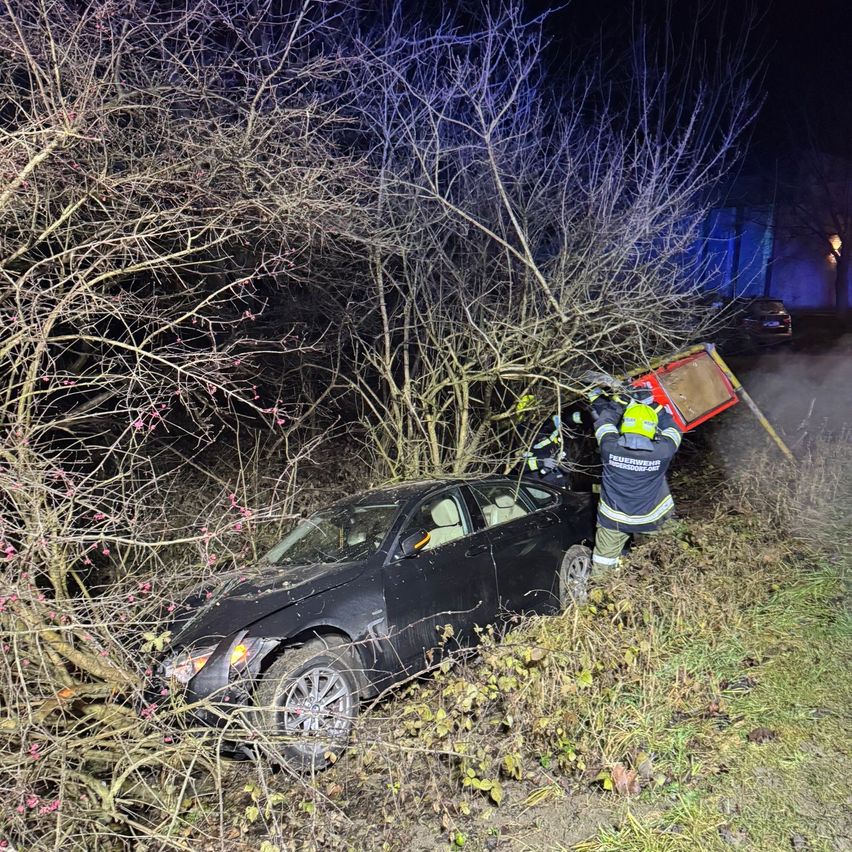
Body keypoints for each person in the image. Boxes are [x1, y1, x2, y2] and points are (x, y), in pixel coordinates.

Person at [588, 392, 682, 577]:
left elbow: (604, 424)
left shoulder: (609, 448)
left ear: (625, 424)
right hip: (651, 518)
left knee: (603, 564)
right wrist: (654, 406)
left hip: (613, 519)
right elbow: (674, 430)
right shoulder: (662, 452)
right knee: (667, 560)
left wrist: (618, 405)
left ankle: (602, 589)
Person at [519, 413, 570, 487]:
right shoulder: (525, 435)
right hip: (537, 484)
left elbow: (563, 448)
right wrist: (541, 462)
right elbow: (522, 462)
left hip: (558, 481)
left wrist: (563, 455)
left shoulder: (552, 432)